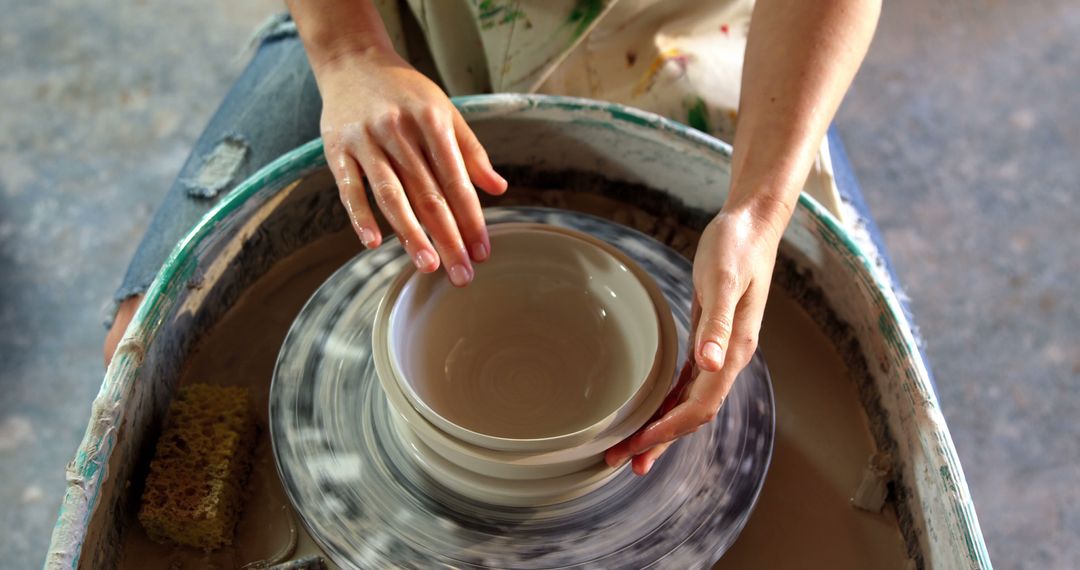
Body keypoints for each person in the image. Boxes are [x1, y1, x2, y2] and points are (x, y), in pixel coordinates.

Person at [105, 0, 880, 476]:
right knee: (140, 362)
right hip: (403, 26)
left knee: (832, 371)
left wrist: (758, 209)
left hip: (677, 34)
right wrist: (349, 53)